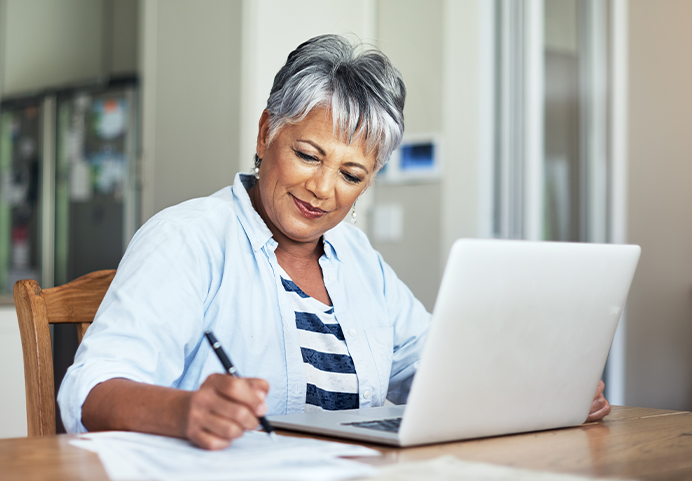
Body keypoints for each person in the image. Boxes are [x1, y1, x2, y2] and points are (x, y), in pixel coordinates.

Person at [58, 34, 610, 451]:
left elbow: (433, 369)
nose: (322, 190)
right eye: (308, 155)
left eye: (351, 175)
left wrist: (545, 390)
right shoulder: (189, 238)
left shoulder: (356, 256)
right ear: (265, 132)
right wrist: (184, 412)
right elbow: (88, 392)